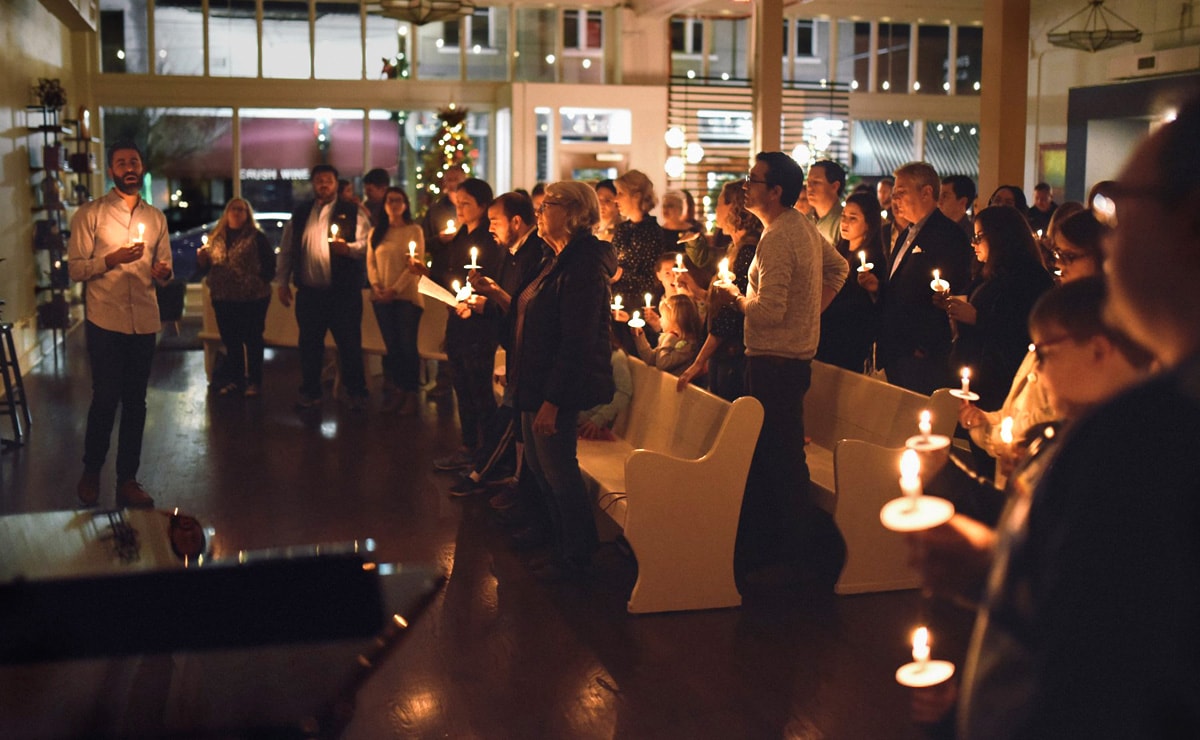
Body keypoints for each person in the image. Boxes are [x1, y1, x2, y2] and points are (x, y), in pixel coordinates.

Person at [935, 97, 1200, 739]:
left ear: (1187, 221)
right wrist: (999, 567)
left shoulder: (1143, 438)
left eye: (1119, 210)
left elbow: (1095, 682)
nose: (1107, 241)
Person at [711, 151, 849, 591]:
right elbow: (839, 268)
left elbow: (768, 312)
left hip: (773, 362)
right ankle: (784, 553)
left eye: (753, 180)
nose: (746, 186)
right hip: (790, 359)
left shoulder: (776, 238)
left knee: (780, 460)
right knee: (779, 457)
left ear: (775, 191)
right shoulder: (801, 227)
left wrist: (733, 296)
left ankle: (795, 559)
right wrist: (811, 315)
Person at [512, 181, 614, 581]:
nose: (538, 210)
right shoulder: (552, 257)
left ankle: (578, 556)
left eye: (547, 204)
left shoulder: (584, 264)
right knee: (540, 466)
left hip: (556, 386)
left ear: (573, 212)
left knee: (559, 470)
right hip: (534, 379)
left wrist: (553, 401)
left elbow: (577, 339)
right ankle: (559, 544)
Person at [69, 139, 173, 509]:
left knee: (136, 403)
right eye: (121, 162)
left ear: (141, 167)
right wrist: (110, 259)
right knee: (105, 398)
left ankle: (128, 479)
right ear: (111, 170)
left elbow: (165, 269)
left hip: (144, 321)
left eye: (134, 161)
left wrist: (162, 271)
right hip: (106, 318)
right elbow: (76, 268)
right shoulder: (90, 214)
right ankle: (91, 470)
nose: (129, 167)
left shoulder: (155, 218)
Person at [448, 191, 547, 498]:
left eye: (495, 221)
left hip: (530, 353)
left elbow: (525, 307)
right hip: (514, 347)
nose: (490, 228)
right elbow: (507, 302)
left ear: (516, 222)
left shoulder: (536, 254)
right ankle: (507, 477)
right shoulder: (512, 251)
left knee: (509, 416)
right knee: (513, 422)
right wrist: (480, 300)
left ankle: (484, 474)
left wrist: (491, 296)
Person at [859, 161, 973, 395]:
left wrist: (923, 346)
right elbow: (902, 287)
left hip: (920, 354)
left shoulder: (948, 235)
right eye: (893, 194)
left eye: (901, 193)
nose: (895, 200)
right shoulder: (905, 235)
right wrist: (878, 287)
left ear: (926, 192)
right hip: (894, 348)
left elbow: (948, 293)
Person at [276, 164, 371, 411]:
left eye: (328, 180)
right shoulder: (300, 213)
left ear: (336, 183)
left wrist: (348, 249)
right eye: (319, 180)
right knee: (309, 345)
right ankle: (310, 392)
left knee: (349, 344)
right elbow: (287, 250)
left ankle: (356, 393)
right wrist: (282, 282)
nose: (324, 184)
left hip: (343, 293)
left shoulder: (352, 212)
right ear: (313, 184)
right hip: (309, 294)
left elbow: (367, 244)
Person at [434, 178, 503, 469]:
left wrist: (475, 301)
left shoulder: (490, 241)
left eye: (466, 204)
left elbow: (494, 284)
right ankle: (468, 446)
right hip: (457, 321)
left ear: (483, 207)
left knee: (479, 390)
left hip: (479, 326)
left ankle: (487, 452)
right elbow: (450, 277)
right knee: (460, 385)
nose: (459, 209)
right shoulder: (460, 236)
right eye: (457, 203)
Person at [678, 179, 760, 400]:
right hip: (725, 353)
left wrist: (699, 361)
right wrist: (697, 292)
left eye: (719, 204)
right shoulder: (735, 248)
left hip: (734, 355)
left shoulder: (747, 252)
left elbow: (730, 313)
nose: (715, 210)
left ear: (735, 207)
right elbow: (726, 301)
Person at [196, 197, 275, 398]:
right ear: (227, 213)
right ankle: (236, 379)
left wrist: (257, 281)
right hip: (223, 297)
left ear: (248, 214)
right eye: (234, 209)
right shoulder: (216, 238)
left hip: (252, 298)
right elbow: (206, 269)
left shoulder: (256, 237)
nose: (237, 213)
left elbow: (269, 265)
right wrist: (203, 261)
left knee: (253, 339)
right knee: (231, 340)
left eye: (242, 209)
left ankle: (255, 381)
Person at [367, 187, 424, 414]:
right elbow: (371, 263)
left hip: (407, 298)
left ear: (406, 204)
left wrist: (395, 289)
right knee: (392, 348)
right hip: (382, 297)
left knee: (407, 346)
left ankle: (411, 392)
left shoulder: (414, 230)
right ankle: (399, 389)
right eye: (390, 200)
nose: (394, 204)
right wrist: (377, 287)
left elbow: (414, 267)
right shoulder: (376, 232)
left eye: (399, 200)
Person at [816, 191, 883, 372]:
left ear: (868, 224)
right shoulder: (838, 252)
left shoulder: (874, 259)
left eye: (853, 218)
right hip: (826, 335)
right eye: (843, 216)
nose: (844, 223)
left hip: (850, 338)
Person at [611, 169, 666, 300]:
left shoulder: (652, 233)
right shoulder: (622, 229)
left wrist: (621, 274)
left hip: (640, 305)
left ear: (636, 197)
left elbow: (653, 279)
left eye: (621, 193)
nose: (615, 199)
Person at [632, 293, 702, 377]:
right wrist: (639, 336)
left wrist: (669, 337)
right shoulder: (671, 338)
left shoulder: (687, 346)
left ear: (676, 321)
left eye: (663, 317)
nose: (660, 320)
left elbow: (662, 364)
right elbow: (651, 359)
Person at [805, 159, 846, 246]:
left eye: (816, 182)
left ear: (835, 186)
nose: (809, 188)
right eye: (808, 182)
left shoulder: (844, 222)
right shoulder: (805, 221)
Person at [592, 179, 624, 244]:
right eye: (598, 199)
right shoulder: (591, 230)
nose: (601, 204)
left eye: (607, 200)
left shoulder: (622, 232)